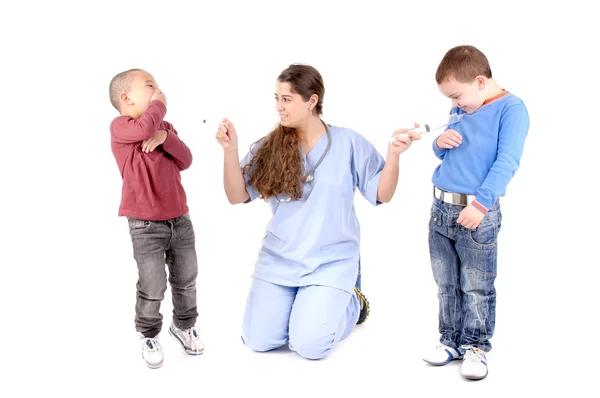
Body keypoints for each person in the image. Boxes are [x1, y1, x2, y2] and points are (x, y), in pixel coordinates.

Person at [215, 64, 420, 359]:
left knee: (310, 346)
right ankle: (304, 305)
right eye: (276, 98)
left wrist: (394, 155)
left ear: (311, 101)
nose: (278, 107)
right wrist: (230, 151)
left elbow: (381, 193)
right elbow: (237, 196)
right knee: (258, 340)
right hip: (280, 258)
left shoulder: (348, 142)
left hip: (330, 261)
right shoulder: (269, 147)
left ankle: (353, 302)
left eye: (286, 99)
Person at [422, 45, 530, 380]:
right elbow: (448, 155)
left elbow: (506, 162)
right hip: (441, 208)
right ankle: (450, 340)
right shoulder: (465, 106)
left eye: (456, 96)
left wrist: (481, 206)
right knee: (446, 282)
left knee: (476, 284)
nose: (454, 105)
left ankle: (475, 346)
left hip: (475, 211)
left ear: (480, 81)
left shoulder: (511, 109)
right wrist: (439, 143)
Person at [109, 69, 204, 369]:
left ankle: (184, 325)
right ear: (126, 98)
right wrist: (159, 106)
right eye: (150, 86)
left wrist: (165, 136)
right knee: (153, 285)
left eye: (158, 88)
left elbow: (185, 160)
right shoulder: (121, 127)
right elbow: (141, 130)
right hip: (145, 225)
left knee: (186, 278)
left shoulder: (164, 127)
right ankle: (148, 333)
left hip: (180, 219)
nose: (158, 91)